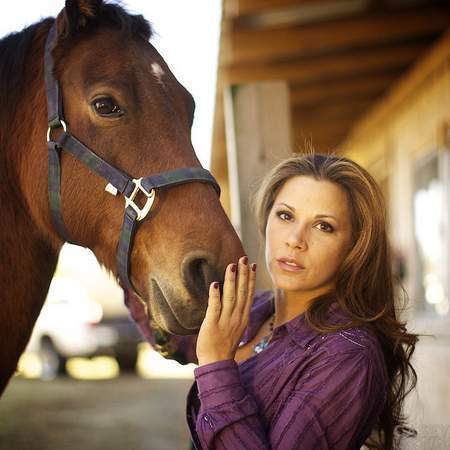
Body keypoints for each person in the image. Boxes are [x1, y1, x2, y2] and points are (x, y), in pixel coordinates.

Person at [125, 152, 419, 449]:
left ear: (354, 248)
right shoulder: (255, 309)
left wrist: (216, 363)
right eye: (285, 215)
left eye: (323, 226)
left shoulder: (347, 355)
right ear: (266, 221)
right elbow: (180, 340)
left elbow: (209, 354)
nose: (295, 239)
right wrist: (123, 255)